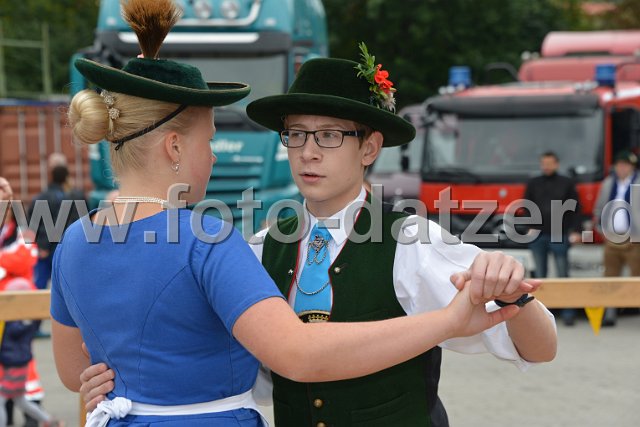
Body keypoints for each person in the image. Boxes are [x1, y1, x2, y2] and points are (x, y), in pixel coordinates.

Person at [74, 24, 557, 427]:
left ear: (369, 147)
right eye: (297, 134)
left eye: (329, 135)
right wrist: (114, 382)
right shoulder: (260, 248)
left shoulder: (413, 241)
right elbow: (214, 362)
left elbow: (541, 348)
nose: (308, 151)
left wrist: (514, 294)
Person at [523, 151, 581, 326]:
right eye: (544, 163)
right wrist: (529, 226)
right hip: (538, 235)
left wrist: (575, 230)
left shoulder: (566, 183)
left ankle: (568, 312)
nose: (546, 166)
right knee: (539, 277)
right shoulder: (533, 183)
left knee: (563, 274)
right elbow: (526, 205)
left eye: (549, 163)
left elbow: (575, 208)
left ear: (556, 164)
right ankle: (542, 313)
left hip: (559, 233)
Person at [593, 149, 640, 327]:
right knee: (610, 277)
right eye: (619, 165)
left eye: (625, 165)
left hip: (634, 239)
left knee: (637, 277)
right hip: (612, 238)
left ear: (632, 167)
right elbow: (599, 207)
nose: (621, 168)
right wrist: (600, 228)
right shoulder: (608, 183)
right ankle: (610, 313)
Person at [28, 160, 85, 293]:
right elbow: (80, 223)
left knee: (40, 285)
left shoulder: (40, 197)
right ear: (67, 178)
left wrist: (42, 246)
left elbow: (33, 225)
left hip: (44, 249)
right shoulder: (75, 197)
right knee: (66, 286)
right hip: (66, 247)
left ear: (51, 176)